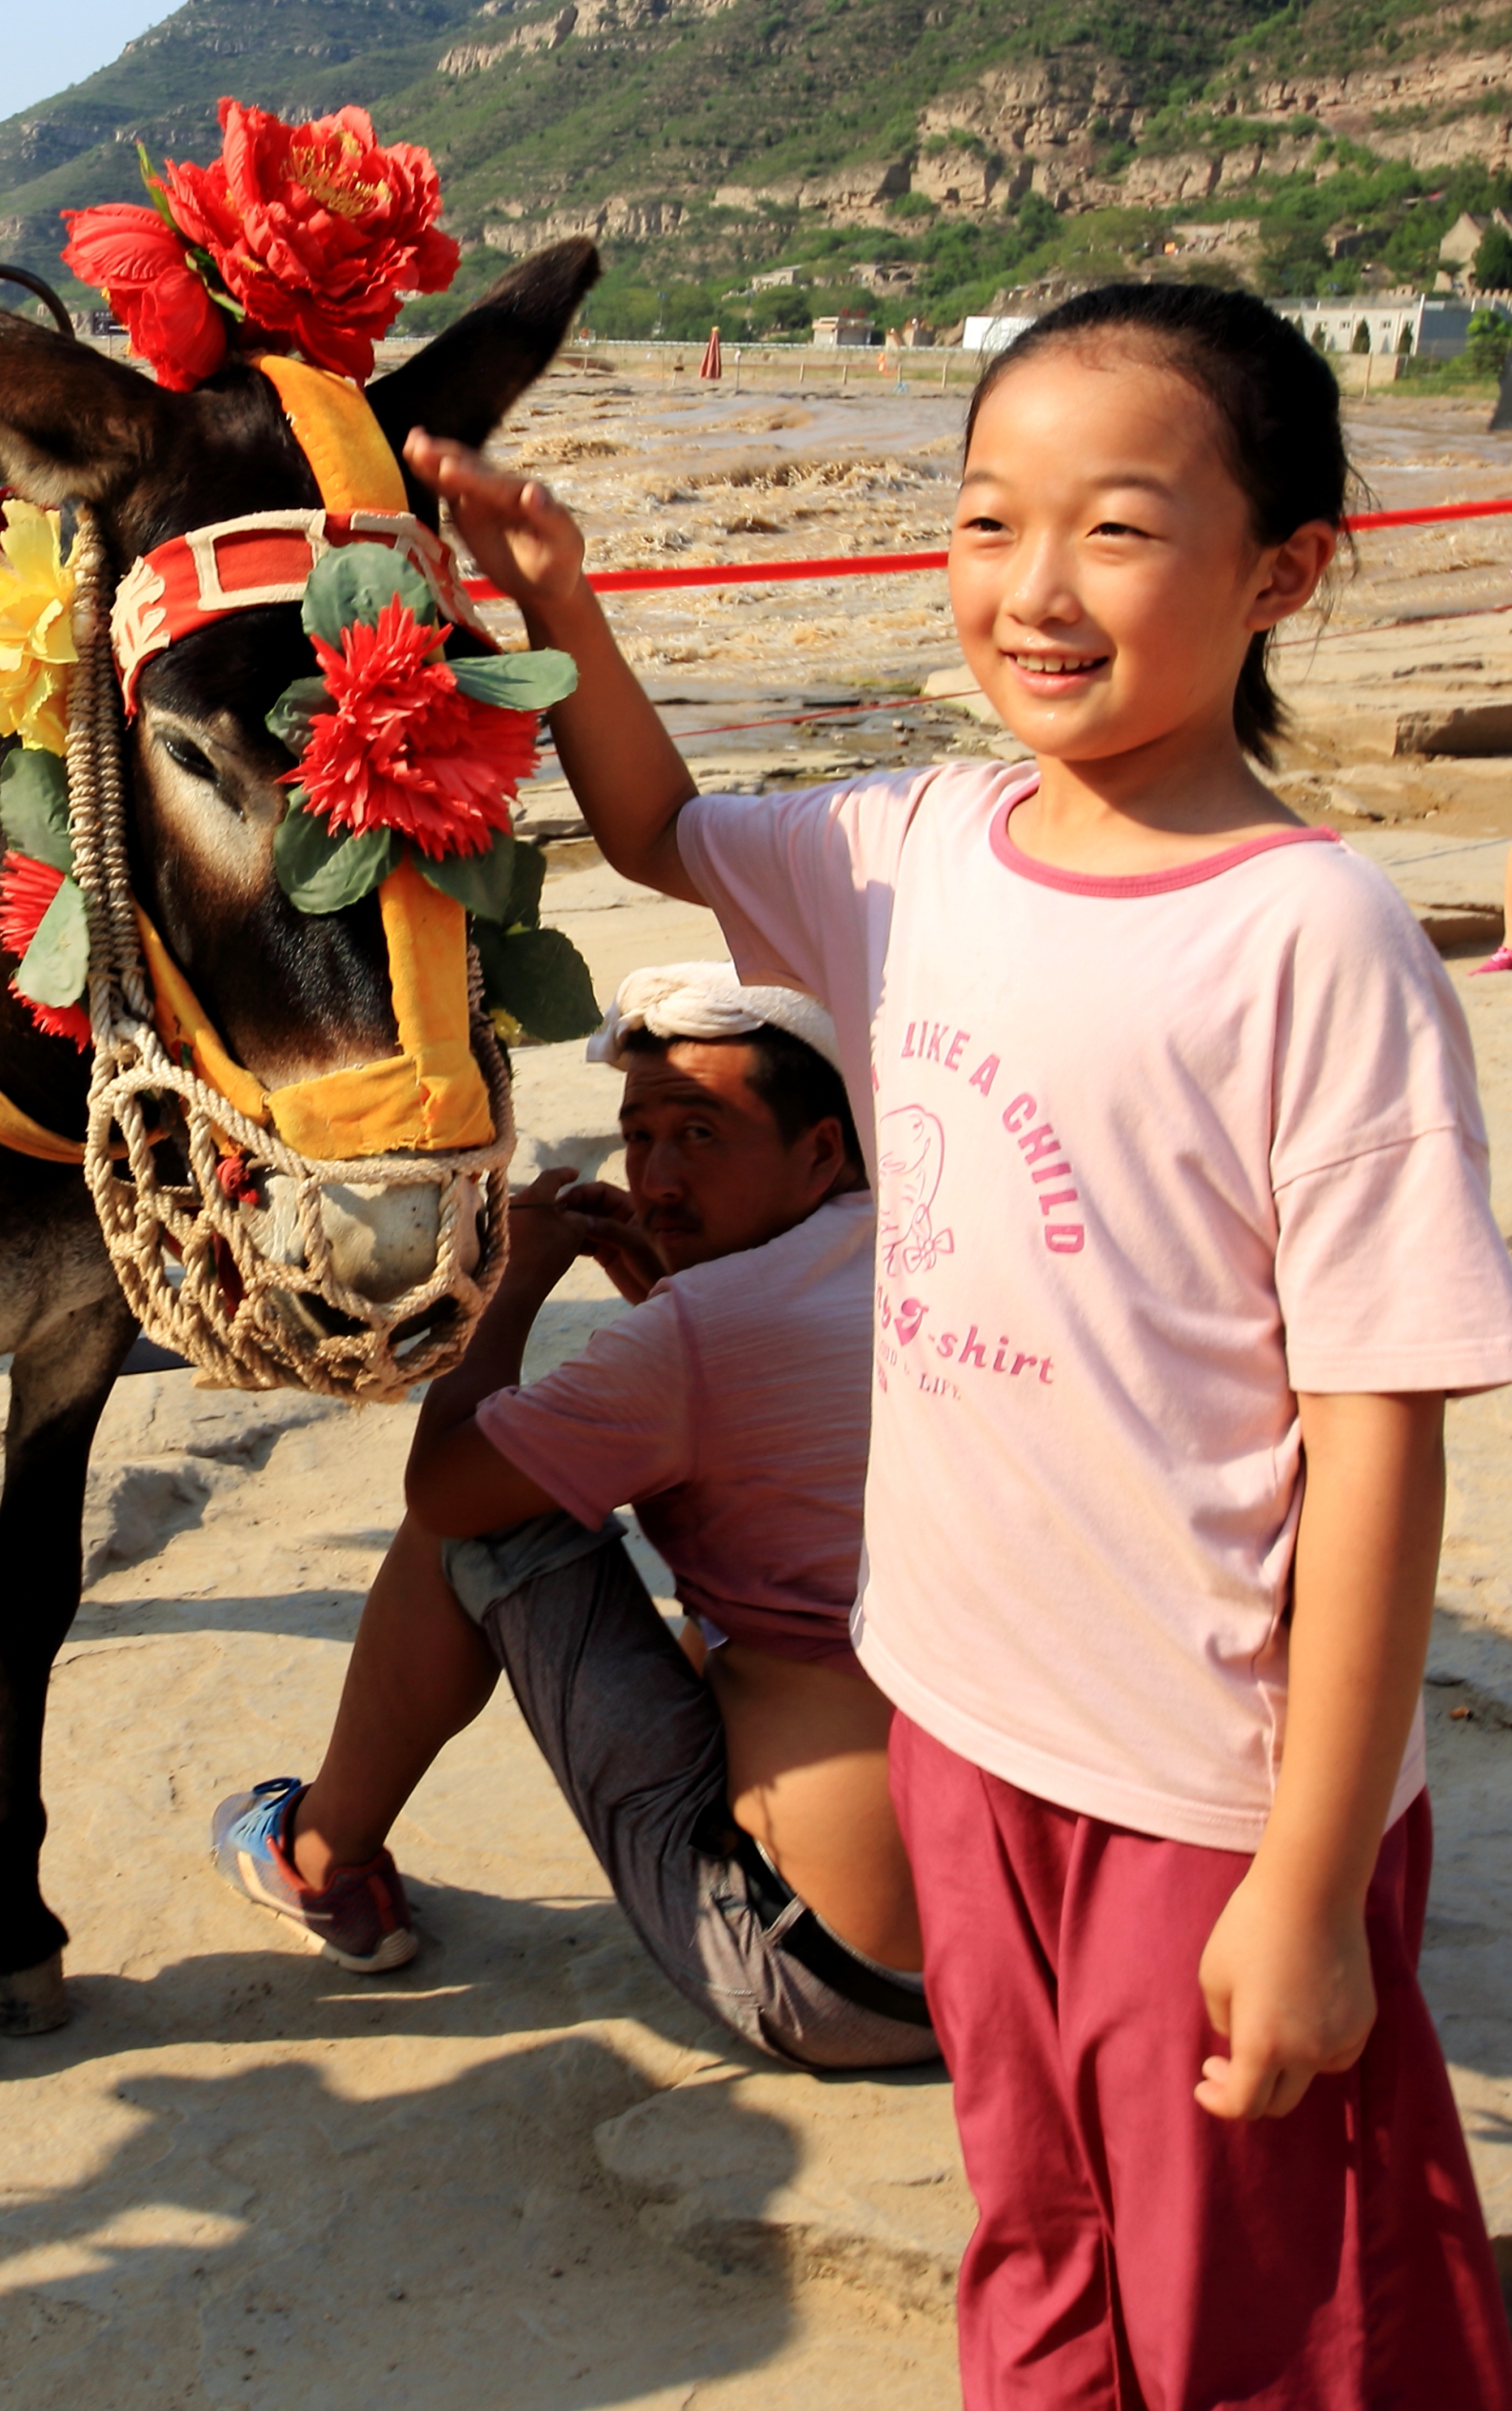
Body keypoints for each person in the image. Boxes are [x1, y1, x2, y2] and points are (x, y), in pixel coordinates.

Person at [402, 282, 1512, 2408]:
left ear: (1282, 571)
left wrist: (1308, 1881)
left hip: (1201, 1782)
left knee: (1270, 2301)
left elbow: (1378, 1436)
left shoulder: (1308, 936)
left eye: (1117, 526)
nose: (1035, 586)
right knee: (1042, 2230)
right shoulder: (914, 848)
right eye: (989, 518)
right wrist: (559, 601)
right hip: (959, 1721)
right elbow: (656, 835)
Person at [210, 964, 938, 2071]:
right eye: (640, 1137)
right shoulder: (917, 1260)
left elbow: (446, 1489)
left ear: (821, 1148)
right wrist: (670, 1283)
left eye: (701, 1133)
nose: (659, 1174)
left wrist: (510, 1281)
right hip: (998, 1950)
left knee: (491, 1517)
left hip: (820, 1977)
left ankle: (321, 1854)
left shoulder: (698, 1334)